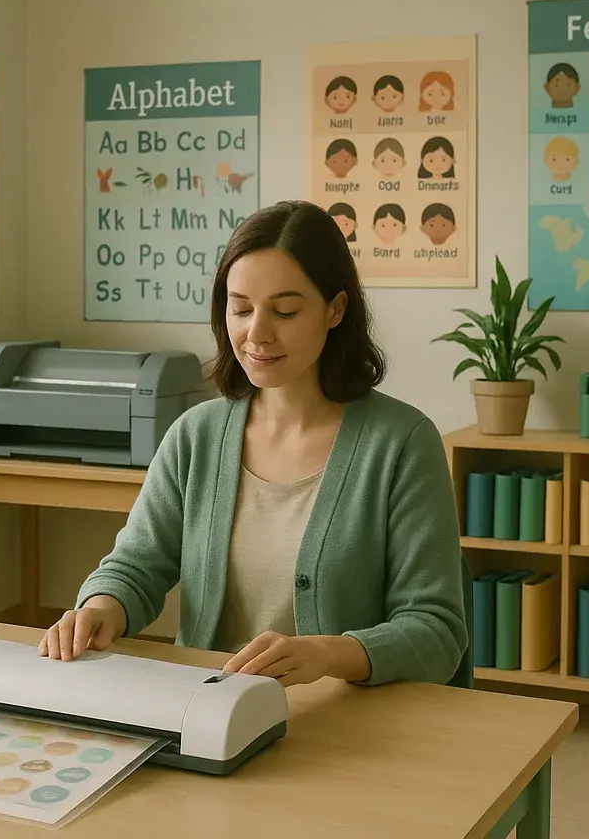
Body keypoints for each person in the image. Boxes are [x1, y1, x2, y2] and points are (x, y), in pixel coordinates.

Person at [39, 199, 468, 688]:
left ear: (336, 309)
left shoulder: (402, 443)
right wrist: (101, 608)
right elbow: (136, 567)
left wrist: (329, 653)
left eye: (284, 311)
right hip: (207, 711)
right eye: (240, 308)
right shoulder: (195, 435)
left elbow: (436, 632)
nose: (256, 334)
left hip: (345, 725)